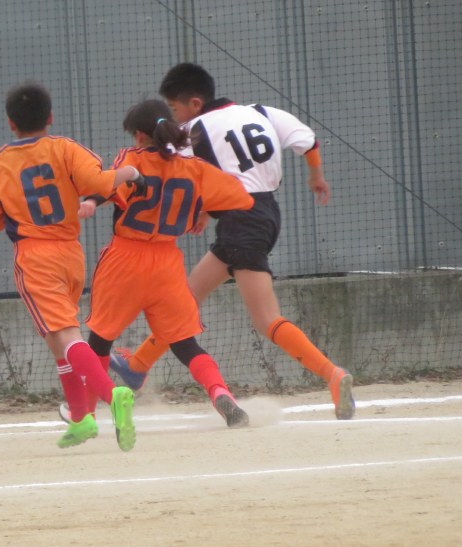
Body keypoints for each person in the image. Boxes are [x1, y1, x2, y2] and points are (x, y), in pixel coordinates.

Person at [109, 63, 356, 419]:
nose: (172, 118)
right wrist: (316, 176)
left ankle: (333, 374)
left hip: (242, 220)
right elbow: (307, 141)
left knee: (266, 319)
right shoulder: (260, 112)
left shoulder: (193, 131)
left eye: (174, 109)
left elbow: (185, 176)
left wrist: (196, 211)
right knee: (185, 300)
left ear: (195, 103)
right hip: (264, 213)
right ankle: (138, 365)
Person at [63, 99, 256, 443]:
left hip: (125, 259)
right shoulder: (193, 168)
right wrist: (201, 210)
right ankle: (220, 393)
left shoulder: (133, 159)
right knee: (185, 343)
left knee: (100, 341)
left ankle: (88, 415)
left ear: (139, 135)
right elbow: (240, 199)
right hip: (167, 262)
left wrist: (91, 200)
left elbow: (111, 185)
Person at [0, 82, 143, 450]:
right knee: (57, 339)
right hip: (71, 252)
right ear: (50, 117)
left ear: (10, 123)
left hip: (34, 255)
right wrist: (129, 173)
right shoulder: (66, 148)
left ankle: (111, 394)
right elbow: (99, 182)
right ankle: (80, 418)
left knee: (67, 336)